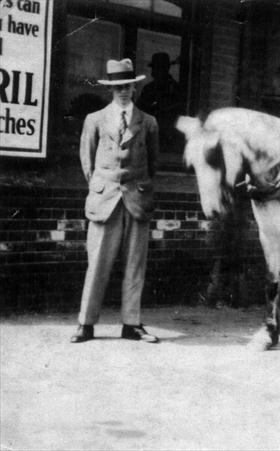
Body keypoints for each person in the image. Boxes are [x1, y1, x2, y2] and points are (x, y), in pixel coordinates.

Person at [70, 58, 160, 343]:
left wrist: (136, 187)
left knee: (135, 264)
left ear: (134, 88)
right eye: (118, 87)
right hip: (105, 200)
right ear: (110, 89)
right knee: (97, 263)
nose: (123, 91)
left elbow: (153, 164)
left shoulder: (148, 122)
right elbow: (88, 162)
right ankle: (86, 324)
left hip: (136, 199)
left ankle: (131, 324)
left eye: (127, 86)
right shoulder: (95, 120)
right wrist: (103, 187)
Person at [137, 52, 185, 154]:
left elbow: (176, 117)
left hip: (168, 143)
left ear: (166, 69)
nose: (154, 73)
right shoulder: (148, 89)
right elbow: (139, 111)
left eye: (158, 69)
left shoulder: (175, 90)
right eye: (154, 69)